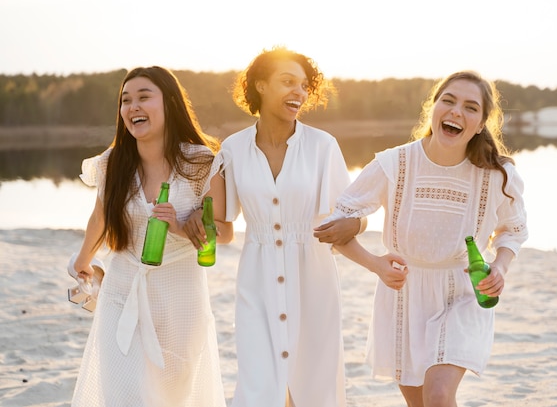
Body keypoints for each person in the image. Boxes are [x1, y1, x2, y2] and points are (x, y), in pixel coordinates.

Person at [320, 70, 529, 407]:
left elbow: (513, 230)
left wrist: (501, 267)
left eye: (470, 107)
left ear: (480, 124)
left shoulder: (496, 175)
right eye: (448, 100)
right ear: (432, 108)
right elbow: (335, 223)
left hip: (463, 293)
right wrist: (375, 264)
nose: (456, 111)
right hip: (403, 295)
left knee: (438, 394)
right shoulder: (394, 163)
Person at [184, 46, 363, 407]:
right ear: (260, 86)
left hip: (313, 278)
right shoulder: (232, 150)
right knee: (259, 387)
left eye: (303, 85)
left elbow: (353, 214)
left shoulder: (322, 147)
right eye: (287, 82)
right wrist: (189, 220)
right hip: (257, 281)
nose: (298, 92)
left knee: (314, 386)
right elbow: (224, 227)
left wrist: (355, 226)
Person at [69, 66, 233, 407]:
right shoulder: (112, 163)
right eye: (126, 101)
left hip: (180, 293)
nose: (133, 107)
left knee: (174, 394)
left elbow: (226, 231)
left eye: (144, 97)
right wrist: (83, 259)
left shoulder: (203, 163)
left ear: (169, 103)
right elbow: (100, 216)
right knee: (123, 393)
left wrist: (181, 224)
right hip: (121, 287)